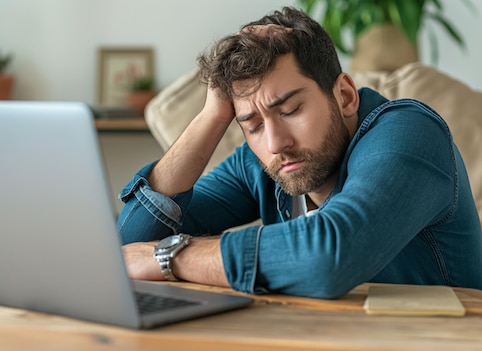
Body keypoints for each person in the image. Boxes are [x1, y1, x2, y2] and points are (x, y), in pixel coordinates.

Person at [117, 6, 482, 298]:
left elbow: (329, 256)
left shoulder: (410, 133)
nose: (276, 143)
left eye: (290, 110)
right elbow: (128, 245)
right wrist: (212, 115)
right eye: (253, 124)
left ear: (345, 96)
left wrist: (169, 257)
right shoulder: (261, 162)